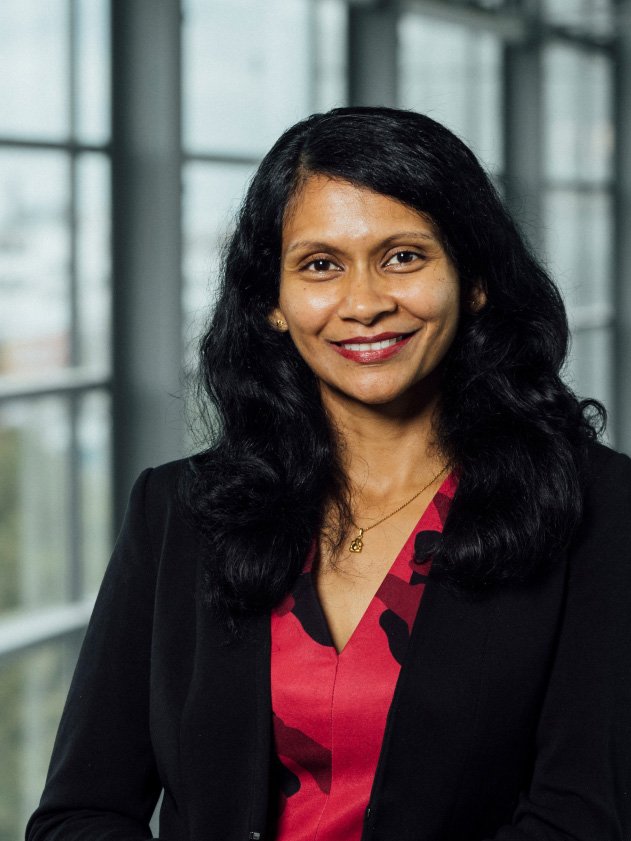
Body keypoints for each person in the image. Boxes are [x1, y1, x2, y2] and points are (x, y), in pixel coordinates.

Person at [26, 106, 631, 841]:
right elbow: (79, 813)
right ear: (273, 303)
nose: (365, 304)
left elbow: (582, 816)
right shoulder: (179, 510)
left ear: (474, 281)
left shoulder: (598, 506)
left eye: (402, 257)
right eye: (320, 265)